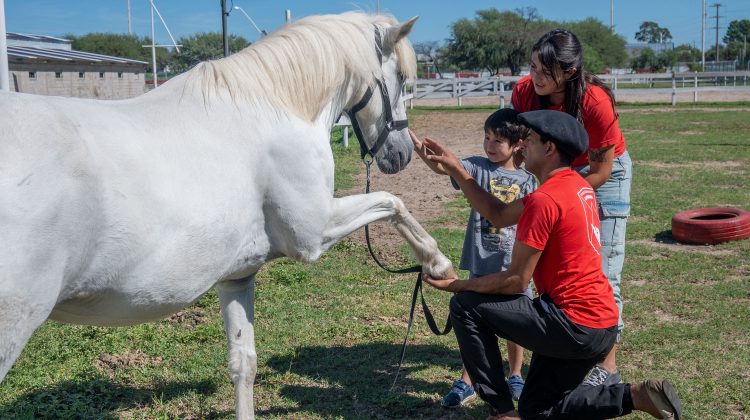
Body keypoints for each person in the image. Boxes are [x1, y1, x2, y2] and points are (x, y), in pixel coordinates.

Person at [411, 109, 681, 419]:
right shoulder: (576, 187)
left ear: (549, 148)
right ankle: (635, 396)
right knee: (537, 410)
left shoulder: (545, 200)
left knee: (465, 306)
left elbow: (516, 280)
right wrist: (456, 168)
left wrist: (458, 285)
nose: (522, 144)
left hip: (571, 323)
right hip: (601, 324)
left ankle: (500, 410)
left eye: (530, 139)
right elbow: (497, 214)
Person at [511, 29, 632, 387]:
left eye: (545, 71)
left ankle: (606, 368)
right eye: (532, 66)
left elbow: (601, 169)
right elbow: (521, 144)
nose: (535, 77)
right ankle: (564, 348)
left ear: (569, 72)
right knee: (555, 267)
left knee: (602, 270)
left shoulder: (594, 102)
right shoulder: (524, 92)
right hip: (552, 172)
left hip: (604, 177)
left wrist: (559, 197)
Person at [409, 109, 537, 408]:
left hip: (514, 266)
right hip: (481, 262)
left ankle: (516, 375)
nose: (490, 145)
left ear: (518, 144)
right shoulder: (477, 167)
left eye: (498, 141)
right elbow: (447, 169)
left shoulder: (531, 181)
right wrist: (425, 155)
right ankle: (468, 380)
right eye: (487, 138)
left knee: (515, 324)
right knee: (474, 326)